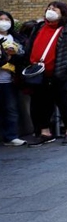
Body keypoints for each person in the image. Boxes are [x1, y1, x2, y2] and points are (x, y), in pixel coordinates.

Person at [25, 2, 67, 146]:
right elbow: (30, 45)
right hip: (40, 73)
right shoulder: (39, 27)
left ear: (63, 13)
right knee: (42, 103)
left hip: (60, 73)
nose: (50, 11)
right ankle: (45, 132)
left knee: (63, 103)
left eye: (54, 9)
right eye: (48, 8)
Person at [0, 10, 26, 146]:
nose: (4, 22)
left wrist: (12, 56)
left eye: (7, 19)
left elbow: (23, 56)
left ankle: (11, 136)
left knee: (11, 108)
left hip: (9, 80)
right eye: (1, 19)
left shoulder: (16, 38)